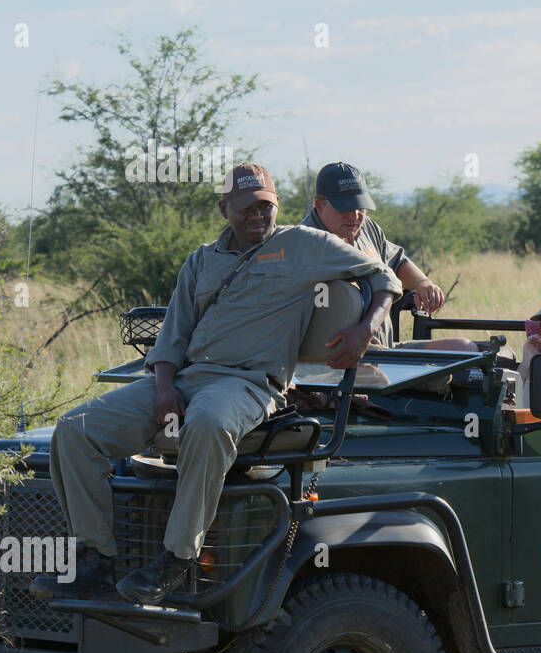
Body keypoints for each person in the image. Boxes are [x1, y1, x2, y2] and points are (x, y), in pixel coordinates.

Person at [35, 164, 402, 605]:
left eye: (266, 206)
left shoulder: (303, 245)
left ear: (277, 206)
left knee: (207, 425)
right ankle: (96, 557)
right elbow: (171, 338)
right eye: (247, 207)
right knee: (75, 430)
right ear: (224, 208)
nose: (258, 216)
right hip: (187, 378)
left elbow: (385, 276)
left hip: (248, 383)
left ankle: (176, 558)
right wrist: (165, 388)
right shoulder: (201, 261)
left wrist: (366, 329)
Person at [299, 161, 444, 347]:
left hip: (384, 351)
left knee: (465, 350)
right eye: (345, 208)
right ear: (320, 205)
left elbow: (397, 261)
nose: (355, 216)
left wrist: (423, 283)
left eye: (360, 207)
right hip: (335, 360)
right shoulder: (304, 243)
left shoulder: (366, 227)